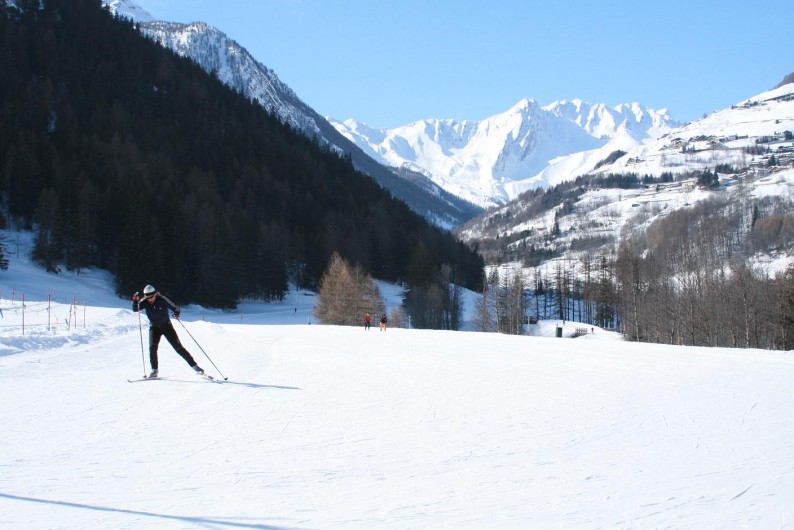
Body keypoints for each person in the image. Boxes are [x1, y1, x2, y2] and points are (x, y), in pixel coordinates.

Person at [132, 284, 204, 378]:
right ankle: (154, 371)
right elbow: (135, 309)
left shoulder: (162, 299)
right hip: (154, 328)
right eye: (147, 297)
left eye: (151, 296)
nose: (150, 299)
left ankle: (195, 367)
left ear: (155, 294)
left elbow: (176, 308)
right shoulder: (144, 301)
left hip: (166, 327)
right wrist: (135, 301)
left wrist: (176, 313)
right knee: (152, 348)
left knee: (178, 348)